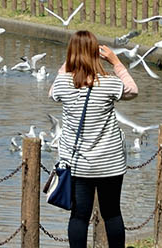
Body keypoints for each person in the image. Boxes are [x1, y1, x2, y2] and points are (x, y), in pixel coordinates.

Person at [49, 29, 139, 248]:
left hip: (78, 164)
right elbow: (133, 90)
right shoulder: (108, 83)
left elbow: (51, 93)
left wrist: (69, 61)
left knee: (79, 216)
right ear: (95, 53)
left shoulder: (63, 84)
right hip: (110, 163)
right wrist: (116, 62)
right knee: (112, 214)